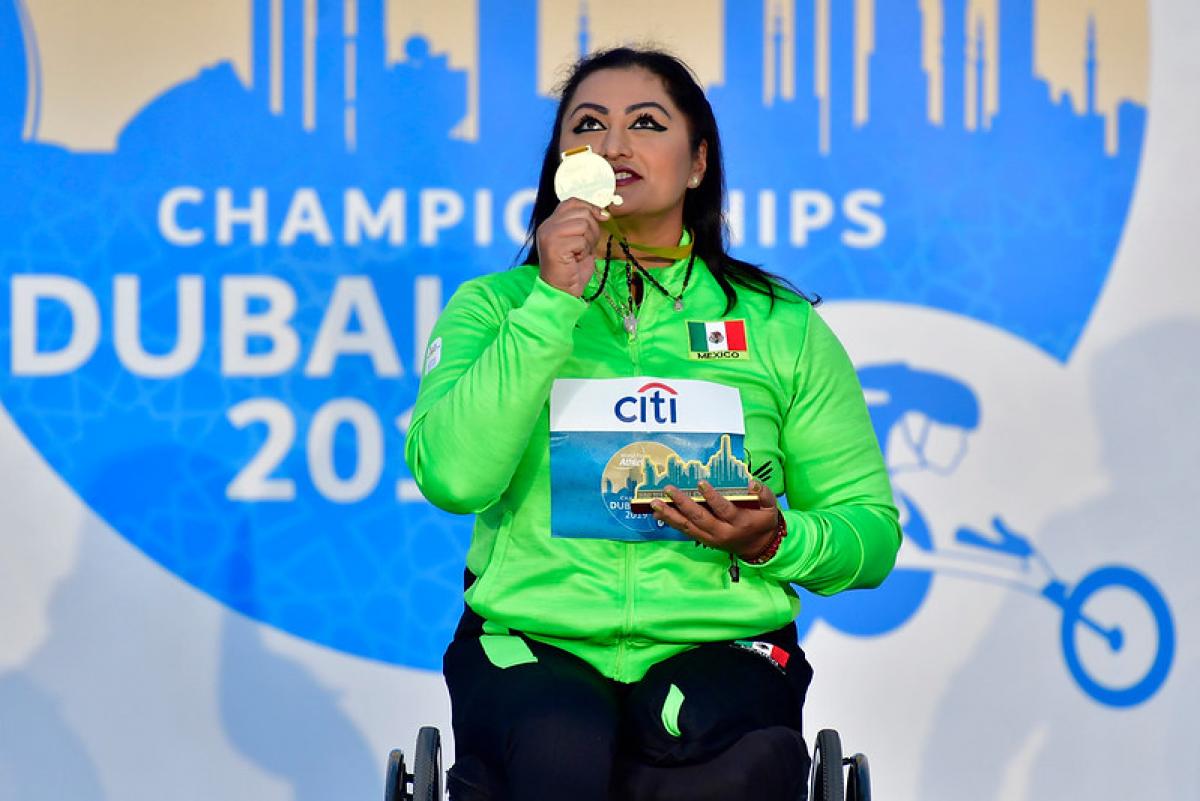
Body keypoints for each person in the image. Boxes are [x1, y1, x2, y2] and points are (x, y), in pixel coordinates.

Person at [405, 47, 901, 801]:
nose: (614, 145)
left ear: (697, 162)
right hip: (532, 644)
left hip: (722, 645)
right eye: (589, 125)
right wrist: (551, 304)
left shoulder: (780, 327)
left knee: (710, 754)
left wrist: (774, 538)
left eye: (646, 122)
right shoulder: (495, 307)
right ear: (562, 164)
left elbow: (870, 533)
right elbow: (453, 476)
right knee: (561, 743)